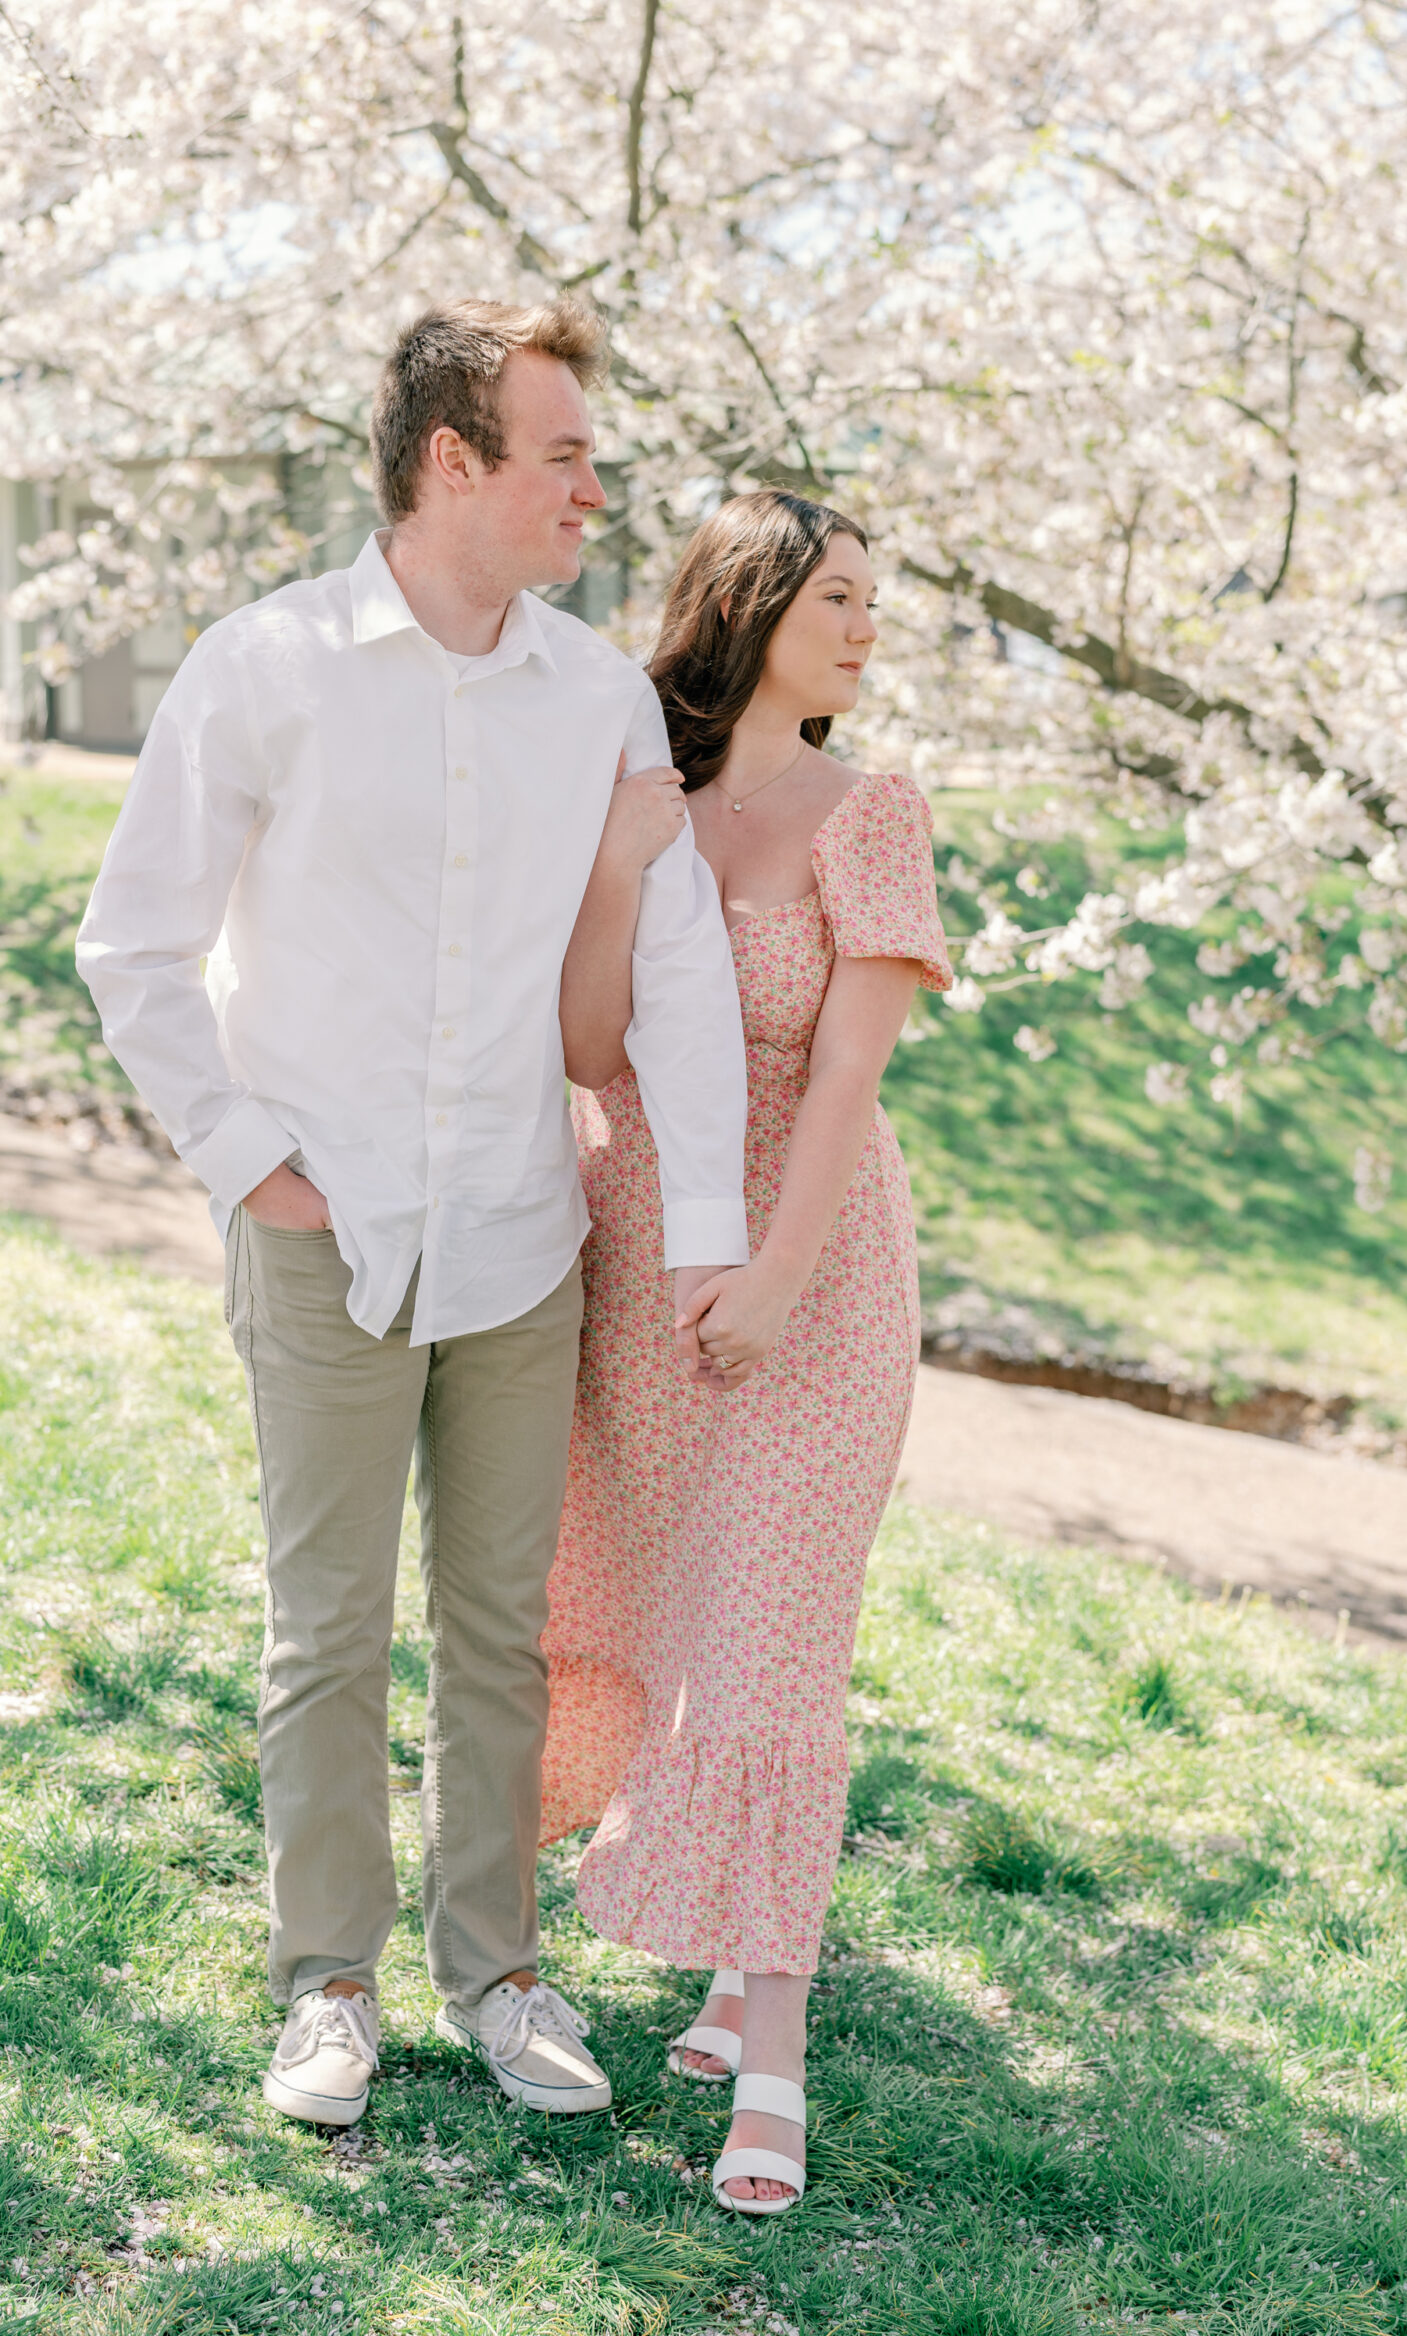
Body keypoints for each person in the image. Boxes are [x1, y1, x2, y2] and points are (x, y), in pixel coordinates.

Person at [76, 299, 750, 2129]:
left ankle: (500, 1974)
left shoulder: (599, 698)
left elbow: (675, 968)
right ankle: (326, 1988)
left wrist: (703, 1232)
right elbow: (132, 945)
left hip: (524, 1236)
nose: (596, 493)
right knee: (325, 1626)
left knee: (499, 1627)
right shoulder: (266, 666)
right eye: (563, 458)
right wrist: (251, 1166)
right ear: (453, 463)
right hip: (329, 1235)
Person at [542, 488, 953, 2216]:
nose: (866, 625)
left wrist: (783, 1274)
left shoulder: (873, 811)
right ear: (751, 599)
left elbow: (849, 1073)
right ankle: (703, 1948)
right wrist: (626, 868)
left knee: (774, 1647)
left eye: (875, 600)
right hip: (637, 1266)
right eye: (836, 593)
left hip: (820, 1272)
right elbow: (582, 1041)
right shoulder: (635, 802)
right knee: (660, 1606)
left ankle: (767, 2056)